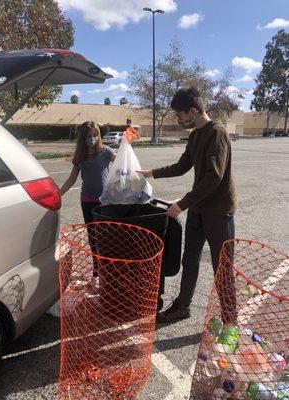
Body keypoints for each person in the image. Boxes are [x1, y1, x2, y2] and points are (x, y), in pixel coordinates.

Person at [138, 87, 237, 324]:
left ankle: (230, 319)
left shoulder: (217, 134)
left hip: (219, 212)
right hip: (198, 209)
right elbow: (182, 166)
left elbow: (214, 176)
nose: (178, 119)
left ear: (193, 111)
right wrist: (151, 173)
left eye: (179, 115)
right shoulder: (194, 135)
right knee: (189, 259)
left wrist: (182, 203)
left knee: (222, 267)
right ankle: (183, 306)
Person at [61, 120, 115, 226]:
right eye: (88, 136)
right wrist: (59, 193)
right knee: (91, 231)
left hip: (105, 200)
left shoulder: (106, 151)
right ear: (83, 138)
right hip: (87, 200)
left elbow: (122, 163)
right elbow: (72, 179)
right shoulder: (79, 155)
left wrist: (126, 148)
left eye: (95, 135)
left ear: (99, 136)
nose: (92, 138)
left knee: (105, 233)